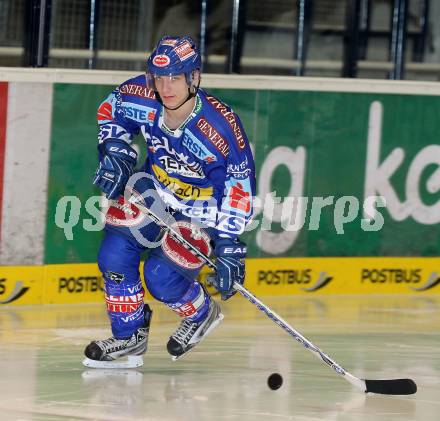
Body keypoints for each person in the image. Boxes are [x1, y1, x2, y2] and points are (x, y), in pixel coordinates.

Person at [83, 35, 256, 368]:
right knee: (114, 254)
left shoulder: (218, 128)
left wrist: (228, 243)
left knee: (161, 276)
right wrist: (116, 149)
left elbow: (238, 186)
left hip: (202, 213)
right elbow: (111, 111)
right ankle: (128, 337)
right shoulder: (142, 96)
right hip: (156, 195)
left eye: (175, 78)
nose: (166, 87)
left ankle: (202, 313)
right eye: (159, 78)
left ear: (195, 78)